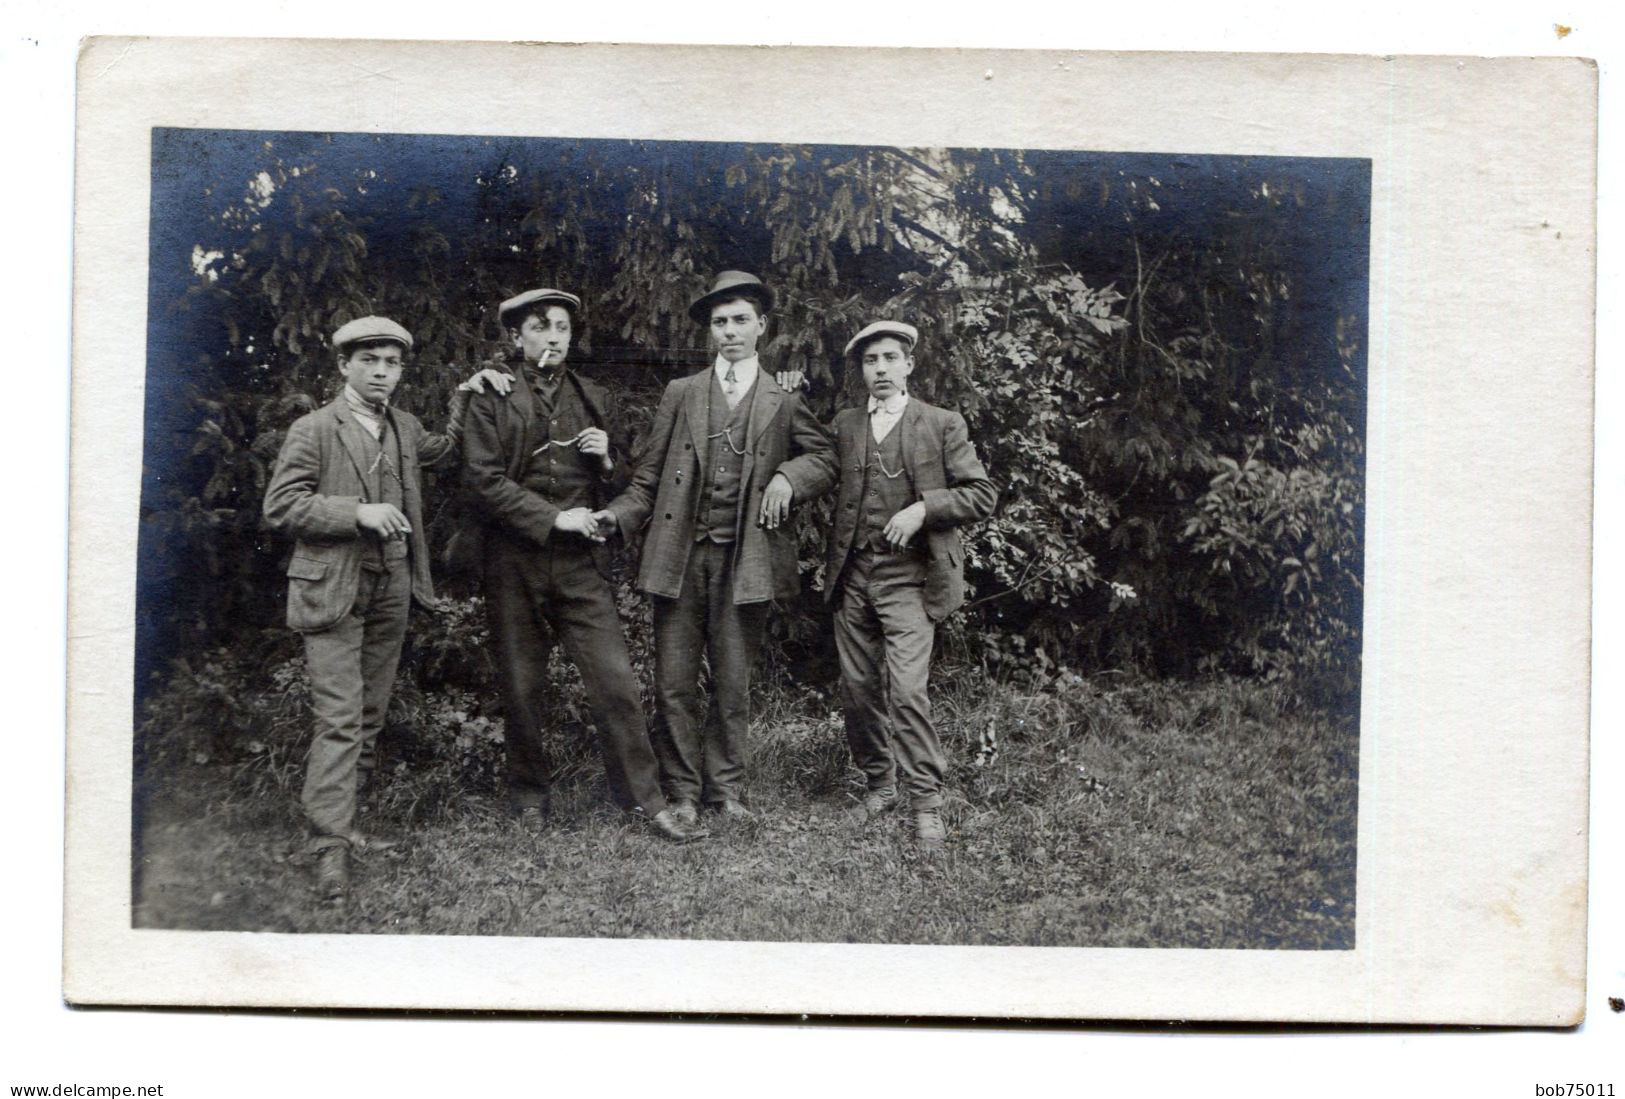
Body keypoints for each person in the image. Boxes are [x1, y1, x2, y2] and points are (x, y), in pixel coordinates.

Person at [263, 315, 513, 900]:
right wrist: (356, 513)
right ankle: (328, 845)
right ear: (345, 365)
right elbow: (282, 507)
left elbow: (445, 450)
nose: (381, 372)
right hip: (332, 589)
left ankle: (348, 826)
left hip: (391, 584)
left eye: (391, 362)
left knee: (371, 712)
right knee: (341, 717)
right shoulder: (314, 428)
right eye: (369, 360)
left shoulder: (403, 425)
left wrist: (467, 392)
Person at [460, 288, 708, 844]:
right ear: (516, 336)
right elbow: (481, 483)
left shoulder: (593, 397)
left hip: (579, 566)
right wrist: (555, 519)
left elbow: (626, 486)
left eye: (564, 328)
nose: (554, 337)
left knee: (615, 681)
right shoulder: (489, 395)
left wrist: (605, 459)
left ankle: (644, 800)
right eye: (542, 326)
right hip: (513, 563)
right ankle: (529, 795)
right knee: (521, 685)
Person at [594, 271, 835, 823]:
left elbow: (824, 457)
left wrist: (788, 479)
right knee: (674, 682)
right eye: (719, 322)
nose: (729, 331)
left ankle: (724, 791)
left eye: (739, 321)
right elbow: (648, 479)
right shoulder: (682, 393)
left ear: (761, 327)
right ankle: (681, 791)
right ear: (710, 331)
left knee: (732, 682)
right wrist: (617, 517)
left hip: (743, 559)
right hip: (678, 556)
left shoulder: (782, 398)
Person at [822, 320, 996, 851]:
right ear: (861, 370)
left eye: (890, 358)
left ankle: (927, 803)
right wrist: (784, 480)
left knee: (908, 690)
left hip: (911, 580)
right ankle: (880, 784)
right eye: (871, 360)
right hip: (854, 577)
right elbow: (821, 470)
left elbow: (982, 495)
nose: (881, 368)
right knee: (857, 689)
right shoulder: (847, 424)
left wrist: (925, 508)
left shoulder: (940, 423)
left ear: (909, 365)